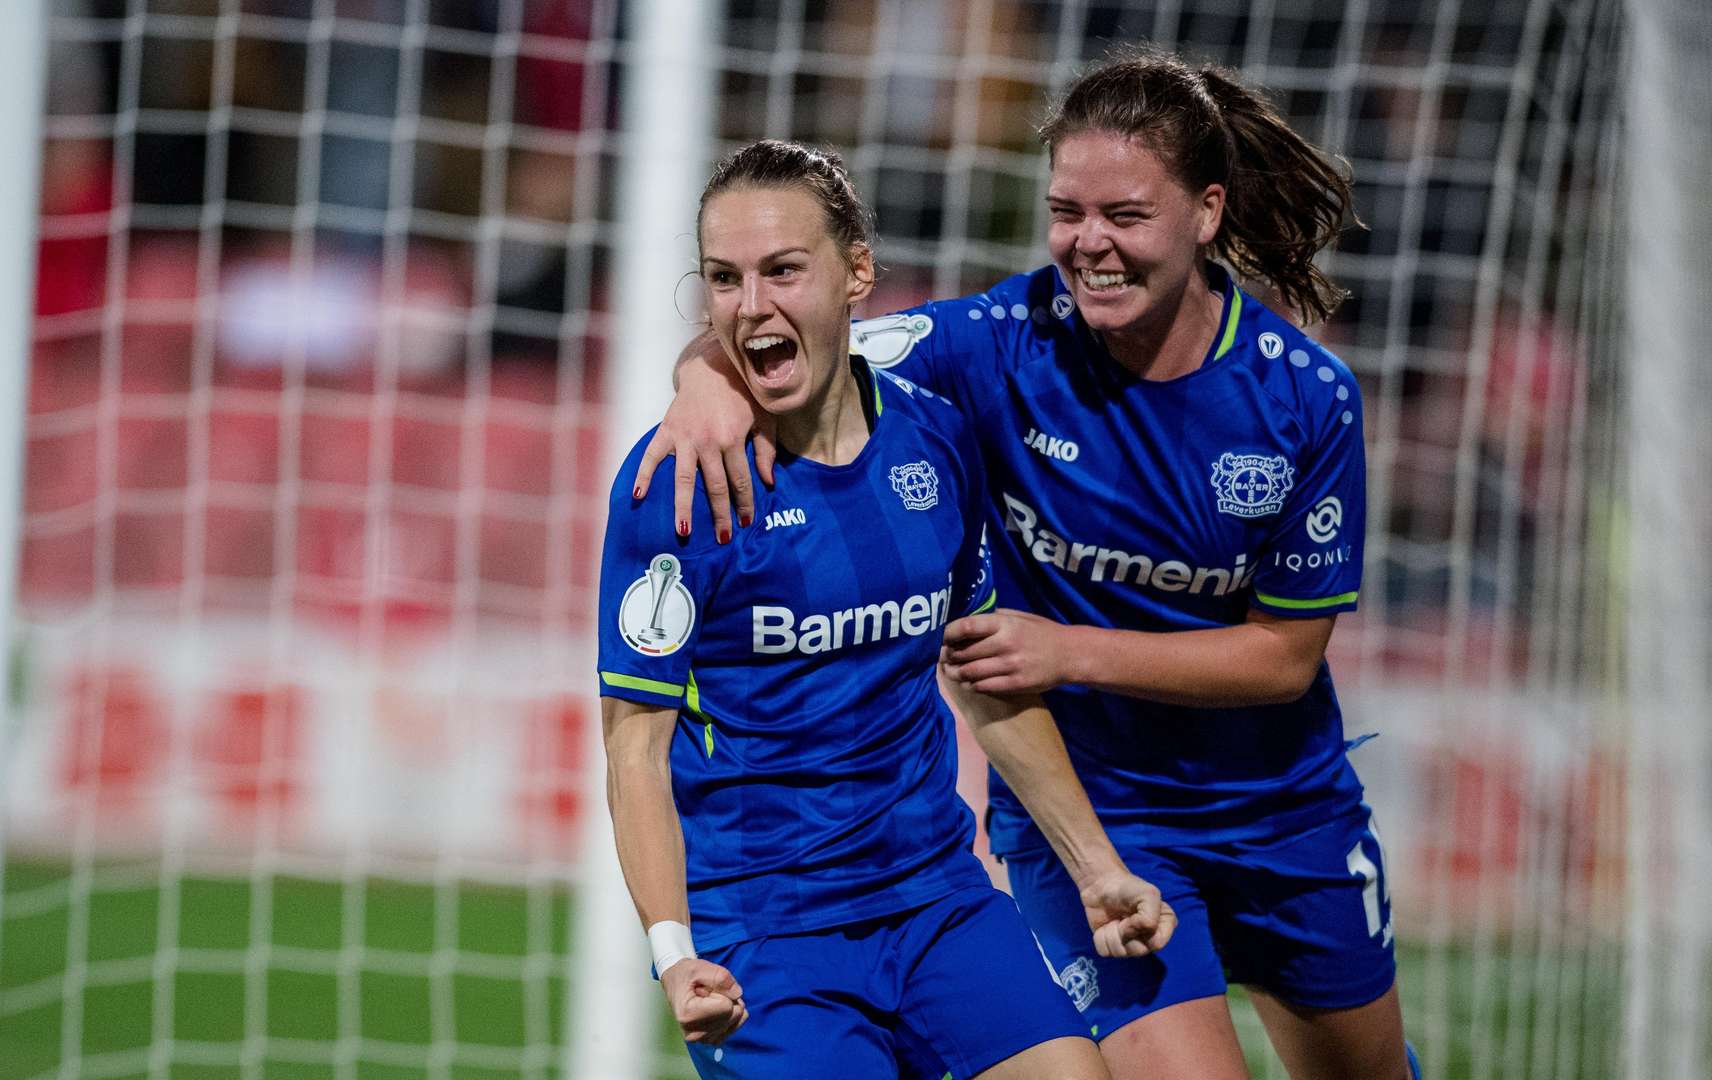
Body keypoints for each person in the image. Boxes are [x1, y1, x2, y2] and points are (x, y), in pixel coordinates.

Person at [636, 51, 1421, 1080]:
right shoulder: (999, 341)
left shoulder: (1304, 399)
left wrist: (1064, 649)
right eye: (1067, 211)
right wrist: (703, 377)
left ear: (1206, 211)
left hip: (1282, 805)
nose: (1088, 244)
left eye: (1125, 216)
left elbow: (1282, 658)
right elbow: (804, 332)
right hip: (1095, 812)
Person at [598, 139, 1171, 1079]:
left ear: (856, 270)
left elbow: (983, 675)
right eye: (724, 279)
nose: (752, 307)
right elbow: (635, 746)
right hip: (766, 930)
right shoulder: (678, 487)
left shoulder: (934, 436)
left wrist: (1097, 867)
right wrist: (674, 955)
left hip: (935, 898)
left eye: (783, 269)